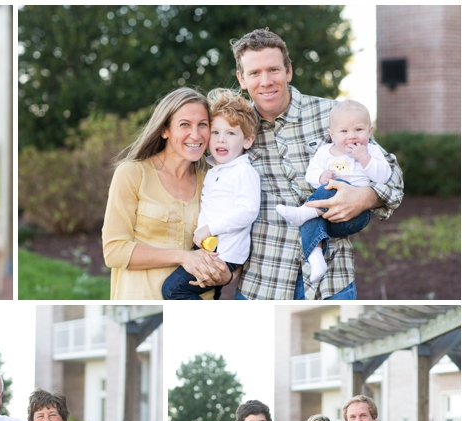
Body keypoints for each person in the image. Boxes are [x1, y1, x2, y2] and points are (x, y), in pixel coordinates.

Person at [229, 28, 404, 300]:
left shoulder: (334, 115)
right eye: (254, 73)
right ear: (242, 79)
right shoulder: (233, 129)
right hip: (261, 285)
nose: (265, 81)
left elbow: (394, 179)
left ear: (288, 71)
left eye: (273, 70)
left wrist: (365, 198)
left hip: (332, 284)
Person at [102, 87, 232, 300]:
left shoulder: (213, 181)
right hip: (144, 302)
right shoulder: (132, 174)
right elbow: (114, 251)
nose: (196, 134)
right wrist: (183, 257)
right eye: (184, 125)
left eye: (203, 125)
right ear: (165, 130)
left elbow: (233, 242)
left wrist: (227, 275)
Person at [277, 100, 392, 288]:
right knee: (321, 199)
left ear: (370, 131)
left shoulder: (372, 151)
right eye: (344, 131)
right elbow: (310, 174)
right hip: (325, 215)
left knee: (333, 189)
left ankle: (302, 212)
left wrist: (364, 158)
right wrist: (321, 176)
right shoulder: (324, 153)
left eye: (359, 130)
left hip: (355, 215)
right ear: (332, 134)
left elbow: (385, 176)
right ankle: (316, 261)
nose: (352, 136)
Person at [161, 88, 260, 300]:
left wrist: (209, 229)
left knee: (173, 289)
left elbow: (248, 211)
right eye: (215, 132)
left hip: (224, 254)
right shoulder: (217, 169)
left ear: (248, 141)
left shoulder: (243, 171)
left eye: (230, 133)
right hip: (211, 249)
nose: (221, 140)